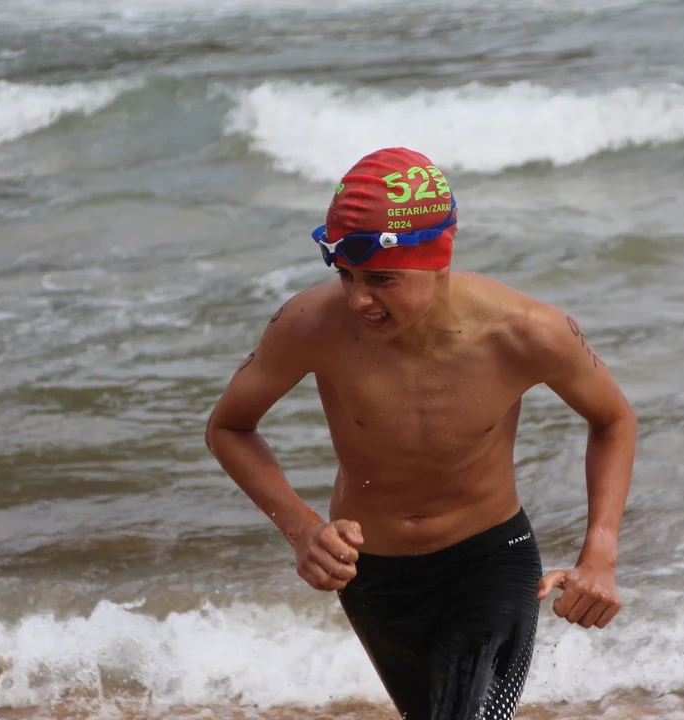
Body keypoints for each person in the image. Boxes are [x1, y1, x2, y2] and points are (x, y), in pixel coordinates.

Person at [205, 147, 637, 720]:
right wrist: (303, 529)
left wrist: (600, 552)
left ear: (437, 259)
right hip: (371, 576)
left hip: (490, 561)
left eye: (381, 279)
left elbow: (613, 419)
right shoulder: (309, 325)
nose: (359, 298)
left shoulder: (528, 331)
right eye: (345, 276)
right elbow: (229, 427)